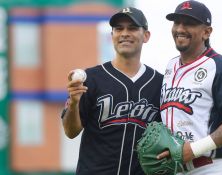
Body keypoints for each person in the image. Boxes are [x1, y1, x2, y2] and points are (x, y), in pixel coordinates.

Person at [61, 7, 163, 175]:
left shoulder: (159, 83)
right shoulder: (91, 79)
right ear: (112, 36)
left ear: (146, 36)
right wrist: (73, 103)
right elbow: (70, 132)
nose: (124, 33)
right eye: (118, 28)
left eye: (132, 28)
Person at [158, 1, 222, 175]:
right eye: (177, 22)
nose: (180, 28)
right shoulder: (170, 67)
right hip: (176, 169)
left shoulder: (221, 67)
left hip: (213, 167)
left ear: (207, 32)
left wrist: (193, 150)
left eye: (189, 23)